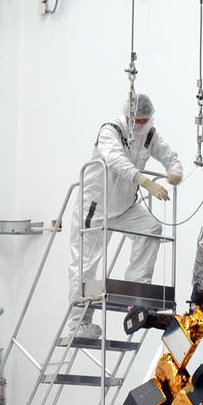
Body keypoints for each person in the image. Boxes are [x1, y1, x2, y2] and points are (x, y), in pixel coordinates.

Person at [68, 94, 182, 339]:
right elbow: (116, 160)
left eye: (144, 120)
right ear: (128, 116)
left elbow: (168, 154)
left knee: (151, 228)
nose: (141, 125)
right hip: (96, 206)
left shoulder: (149, 133)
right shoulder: (110, 130)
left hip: (125, 206)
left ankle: (137, 291)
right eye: (137, 120)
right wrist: (144, 181)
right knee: (85, 264)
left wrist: (175, 172)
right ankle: (79, 324)